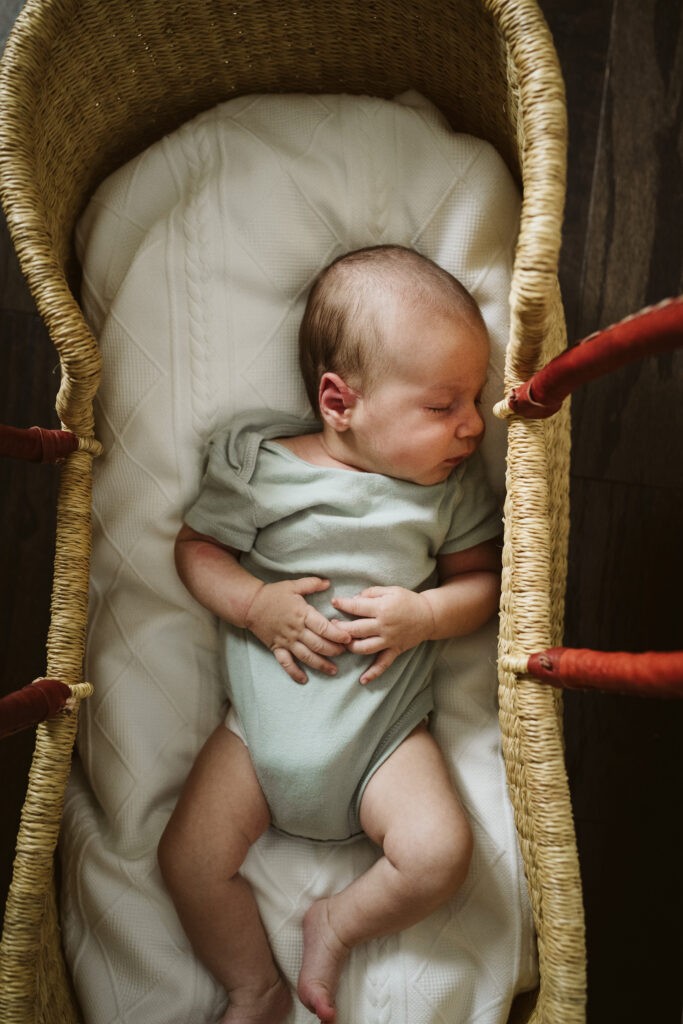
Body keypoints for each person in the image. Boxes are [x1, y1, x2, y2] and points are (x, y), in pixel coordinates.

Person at [158, 245, 502, 1024]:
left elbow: (480, 585)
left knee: (439, 855)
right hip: (256, 734)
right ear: (339, 401)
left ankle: (336, 923)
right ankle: (254, 986)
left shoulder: (445, 494)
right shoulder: (265, 468)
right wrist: (252, 605)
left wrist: (427, 616)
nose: (473, 425)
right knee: (187, 861)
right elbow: (196, 548)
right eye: (443, 405)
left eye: (474, 399)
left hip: (383, 739)